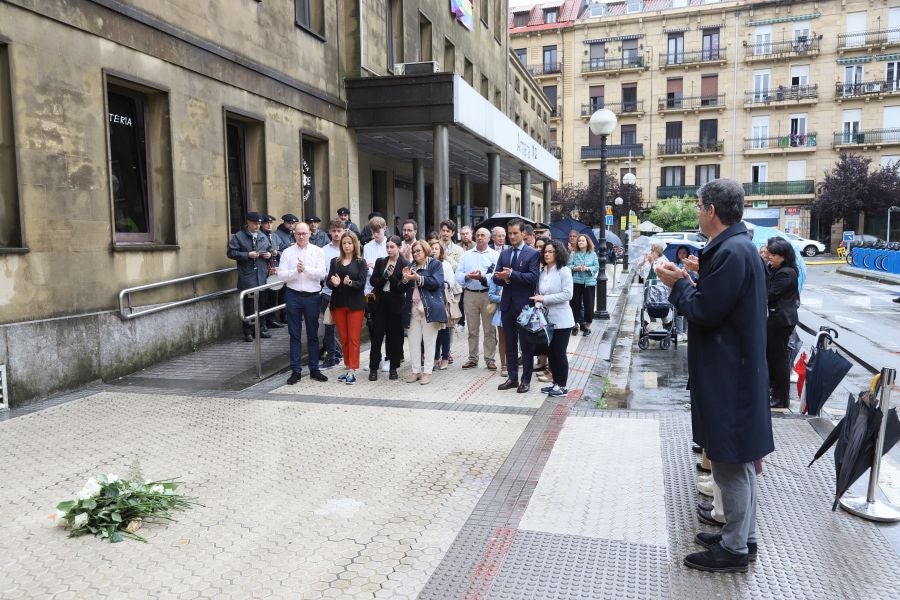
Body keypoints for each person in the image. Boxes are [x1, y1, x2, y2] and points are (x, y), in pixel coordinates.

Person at [656, 178, 773, 574]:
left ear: (710, 210)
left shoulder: (732, 251)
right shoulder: (734, 248)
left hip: (729, 375)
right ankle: (741, 536)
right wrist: (689, 281)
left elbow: (706, 311)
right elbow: (715, 302)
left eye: (697, 206)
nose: (696, 212)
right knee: (738, 462)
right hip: (734, 371)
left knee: (728, 462)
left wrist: (676, 285)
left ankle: (736, 548)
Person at [277, 222, 329, 384]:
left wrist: (305, 269)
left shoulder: (318, 251)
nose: (301, 236)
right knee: (294, 334)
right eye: (298, 233)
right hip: (293, 295)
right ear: (294, 235)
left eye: (304, 233)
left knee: (313, 334)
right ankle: (296, 370)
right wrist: (296, 271)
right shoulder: (287, 252)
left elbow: (322, 274)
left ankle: (314, 369)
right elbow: (281, 276)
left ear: (309, 234)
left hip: (312, 296)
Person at [493, 218, 540, 393]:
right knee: (510, 344)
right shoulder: (504, 254)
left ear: (523, 234)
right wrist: (502, 278)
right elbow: (495, 277)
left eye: (515, 233)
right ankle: (512, 377)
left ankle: (525, 380)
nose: (512, 237)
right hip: (507, 306)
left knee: (526, 346)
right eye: (509, 233)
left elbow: (533, 278)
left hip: (524, 308)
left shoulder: (532, 253)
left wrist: (512, 274)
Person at [530, 239, 574, 397]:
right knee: (550, 353)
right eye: (545, 252)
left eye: (551, 252)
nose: (547, 254)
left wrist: (544, 299)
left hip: (562, 320)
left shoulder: (564, 270)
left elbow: (568, 294)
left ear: (558, 253)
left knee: (559, 352)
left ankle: (562, 386)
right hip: (546, 320)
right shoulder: (543, 272)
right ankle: (555, 383)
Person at [402, 240, 447, 385]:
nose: (415, 254)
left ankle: (427, 372)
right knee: (413, 342)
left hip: (429, 308)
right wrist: (404, 279)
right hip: (412, 309)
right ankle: (416, 371)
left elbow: (437, 282)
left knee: (429, 342)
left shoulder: (435, 264)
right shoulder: (410, 265)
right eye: (413, 252)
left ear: (426, 250)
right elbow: (400, 286)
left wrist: (418, 278)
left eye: (418, 251)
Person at [326, 230, 367, 385]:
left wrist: (350, 283)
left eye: (349, 243)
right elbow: (329, 281)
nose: (347, 245)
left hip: (355, 305)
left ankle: (353, 369)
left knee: (353, 337)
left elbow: (362, 283)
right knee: (344, 337)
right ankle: (348, 365)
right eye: (344, 243)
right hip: (338, 304)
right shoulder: (334, 261)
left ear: (354, 244)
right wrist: (333, 283)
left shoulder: (360, 262)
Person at [763, 237, 800, 409]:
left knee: (779, 360)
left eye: (773, 255)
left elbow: (769, 295)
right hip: (776, 320)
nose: (770, 257)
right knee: (773, 358)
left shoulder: (787, 273)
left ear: (783, 256)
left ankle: (781, 398)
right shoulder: (777, 270)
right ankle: (775, 393)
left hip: (780, 321)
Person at [456, 227, 500, 371]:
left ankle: (490, 359)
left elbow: (496, 275)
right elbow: (458, 275)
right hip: (470, 294)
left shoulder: (495, 255)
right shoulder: (466, 255)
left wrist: (482, 277)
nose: (480, 237)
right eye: (478, 235)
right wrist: (467, 276)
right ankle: (473, 358)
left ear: (489, 238)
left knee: (489, 330)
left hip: (488, 294)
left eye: (483, 235)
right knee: (472, 329)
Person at [368, 236, 409, 381]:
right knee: (377, 336)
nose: (389, 250)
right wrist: (385, 276)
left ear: (399, 247)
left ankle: (393, 368)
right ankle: (373, 368)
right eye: (388, 247)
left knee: (394, 338)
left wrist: (391, 277)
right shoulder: (381, 262)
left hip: (395, 304)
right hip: (380, 302)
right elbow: (373, 281)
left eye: (392, 247)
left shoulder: (405, 264)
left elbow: (401, 287)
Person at [227, 212, 273, 342]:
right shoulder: (239, 237)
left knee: (262, 304)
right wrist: (247, 254)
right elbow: (231, 252)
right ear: (248, 222)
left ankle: (262, 328)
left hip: (262, 276)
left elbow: (269, 249)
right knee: (249, 306)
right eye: (255, 223)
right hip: (248, 277)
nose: (257, 226)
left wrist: (269, 254)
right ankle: (248, 331)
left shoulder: (262, 236)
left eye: (259, 223)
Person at [430, 239, 462, 370]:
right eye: (431, 248)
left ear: (441, 251)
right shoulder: (427, 264)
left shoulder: (445, 264)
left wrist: (438, 283)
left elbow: (450, 283)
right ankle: (434, 357)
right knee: (434, 331)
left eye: (436, 248)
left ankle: (444, 357)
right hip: (430, 301)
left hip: (443, 300)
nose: (433, 251)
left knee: (444, 331)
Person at [319, 219, 346, 368]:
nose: (336, 234)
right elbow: (323, 272)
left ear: (344, 232)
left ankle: (346, 356)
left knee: (345, 327)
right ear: (330, 232)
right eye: (334, 231)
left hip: (347, 294)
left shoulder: (349, 248)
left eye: (339, 231)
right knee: (329, 328)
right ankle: (331, 357)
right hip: (328, 293)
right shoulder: (323, 250)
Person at [568, 234, 599, 337]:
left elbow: (596, 267)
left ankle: (586, 326)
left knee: (589, 305)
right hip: (576, 282)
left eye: (582, 241)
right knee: (575, 304)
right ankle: (575, 324)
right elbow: (569, 266)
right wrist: (575, 268)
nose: (580, 242)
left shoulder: (593, 254)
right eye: (579, 241)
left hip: (589, 283)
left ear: (587, 242)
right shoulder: (573, 253)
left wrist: (587, 269)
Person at [260, 215, 285, 330]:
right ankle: (263, 322)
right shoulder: (260, 236)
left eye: (270, 223)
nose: (269, 225)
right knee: (263, 298)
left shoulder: (274, 236)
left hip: (274, 269)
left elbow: (282, 249)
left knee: (274, 295)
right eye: (266, 223)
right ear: (261, 224)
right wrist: (268, 254)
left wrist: (276, 253)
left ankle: (272, 318)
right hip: (263, 270)